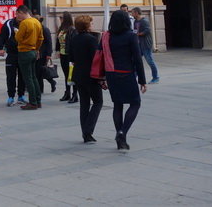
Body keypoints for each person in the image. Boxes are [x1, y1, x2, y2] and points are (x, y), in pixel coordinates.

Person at [102, 10, 147, 150]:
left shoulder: (106, 36)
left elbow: (101, 55)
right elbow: (137, 59)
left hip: (111, 74)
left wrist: (102, 77)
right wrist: (142, 80)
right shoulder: (130, 36)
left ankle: (120, 141)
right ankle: (122, 132)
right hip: (126, 73)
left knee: (118, 104)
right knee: (135, 103)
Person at [69, 14, 103, 143]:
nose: (92, 25)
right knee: (98, 102)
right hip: (91, 75)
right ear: (87, 25)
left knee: (84, 103)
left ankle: (85, 132)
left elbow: (71, 57)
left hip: (78, 74)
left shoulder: (74, 38)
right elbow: (96, 59)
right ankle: (88, 131)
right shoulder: (91, 39)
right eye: (91, 23)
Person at [15, 5, 43, 110]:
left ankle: (33, 102)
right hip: (33, 51)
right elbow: (41, 38)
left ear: (22, 12)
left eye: (18, 14)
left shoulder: (24, 23)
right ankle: (38, 100)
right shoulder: (36, 22)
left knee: (27, 78)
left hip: (24, 52)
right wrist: (37, 49)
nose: (17, 16)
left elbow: (18, 38)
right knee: (33, 76)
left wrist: (16, 32)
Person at [0, 11, 27, 106]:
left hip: (23, 53)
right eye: (17, 13)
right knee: (11, 76)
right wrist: (0, 48)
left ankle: (21, 96)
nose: (19, 16)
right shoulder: (9, 23)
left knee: (22, 76)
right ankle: (11, 97)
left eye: (21, 14)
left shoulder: (26, 23)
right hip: (11, 54)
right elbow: (2, 36)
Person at [132, 7, 159, 84]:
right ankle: (134, 75)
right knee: (136, 61)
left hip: (145, 44)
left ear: (137, 13)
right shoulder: (135, 22)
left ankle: (155, 77)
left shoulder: (144, 21)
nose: (132, 14)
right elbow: (135, 30)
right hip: (138, 44)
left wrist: (138, 34)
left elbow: (147, 30)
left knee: (150, 61)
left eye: (133, 12)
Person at [56, 11, 78, 104]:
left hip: (70, 55)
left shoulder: (72, 29)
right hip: (63, 54)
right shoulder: (61, 28)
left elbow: (74, 42)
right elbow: (58, 40)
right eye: (60, 17)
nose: (60, 19)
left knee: (72, 75)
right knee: (66, 75)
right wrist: (57, 50)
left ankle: (75, 94)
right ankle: (67, 92)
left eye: (62, 17)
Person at [34, 13, 56, 96]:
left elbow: (49, 42)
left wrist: (49, 54)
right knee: (39, 71)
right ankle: (51, 82)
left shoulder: (45, 29)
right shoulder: (36, 29)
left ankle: (40, 89)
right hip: (37, 53)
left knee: (39, 71)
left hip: (43, 54)